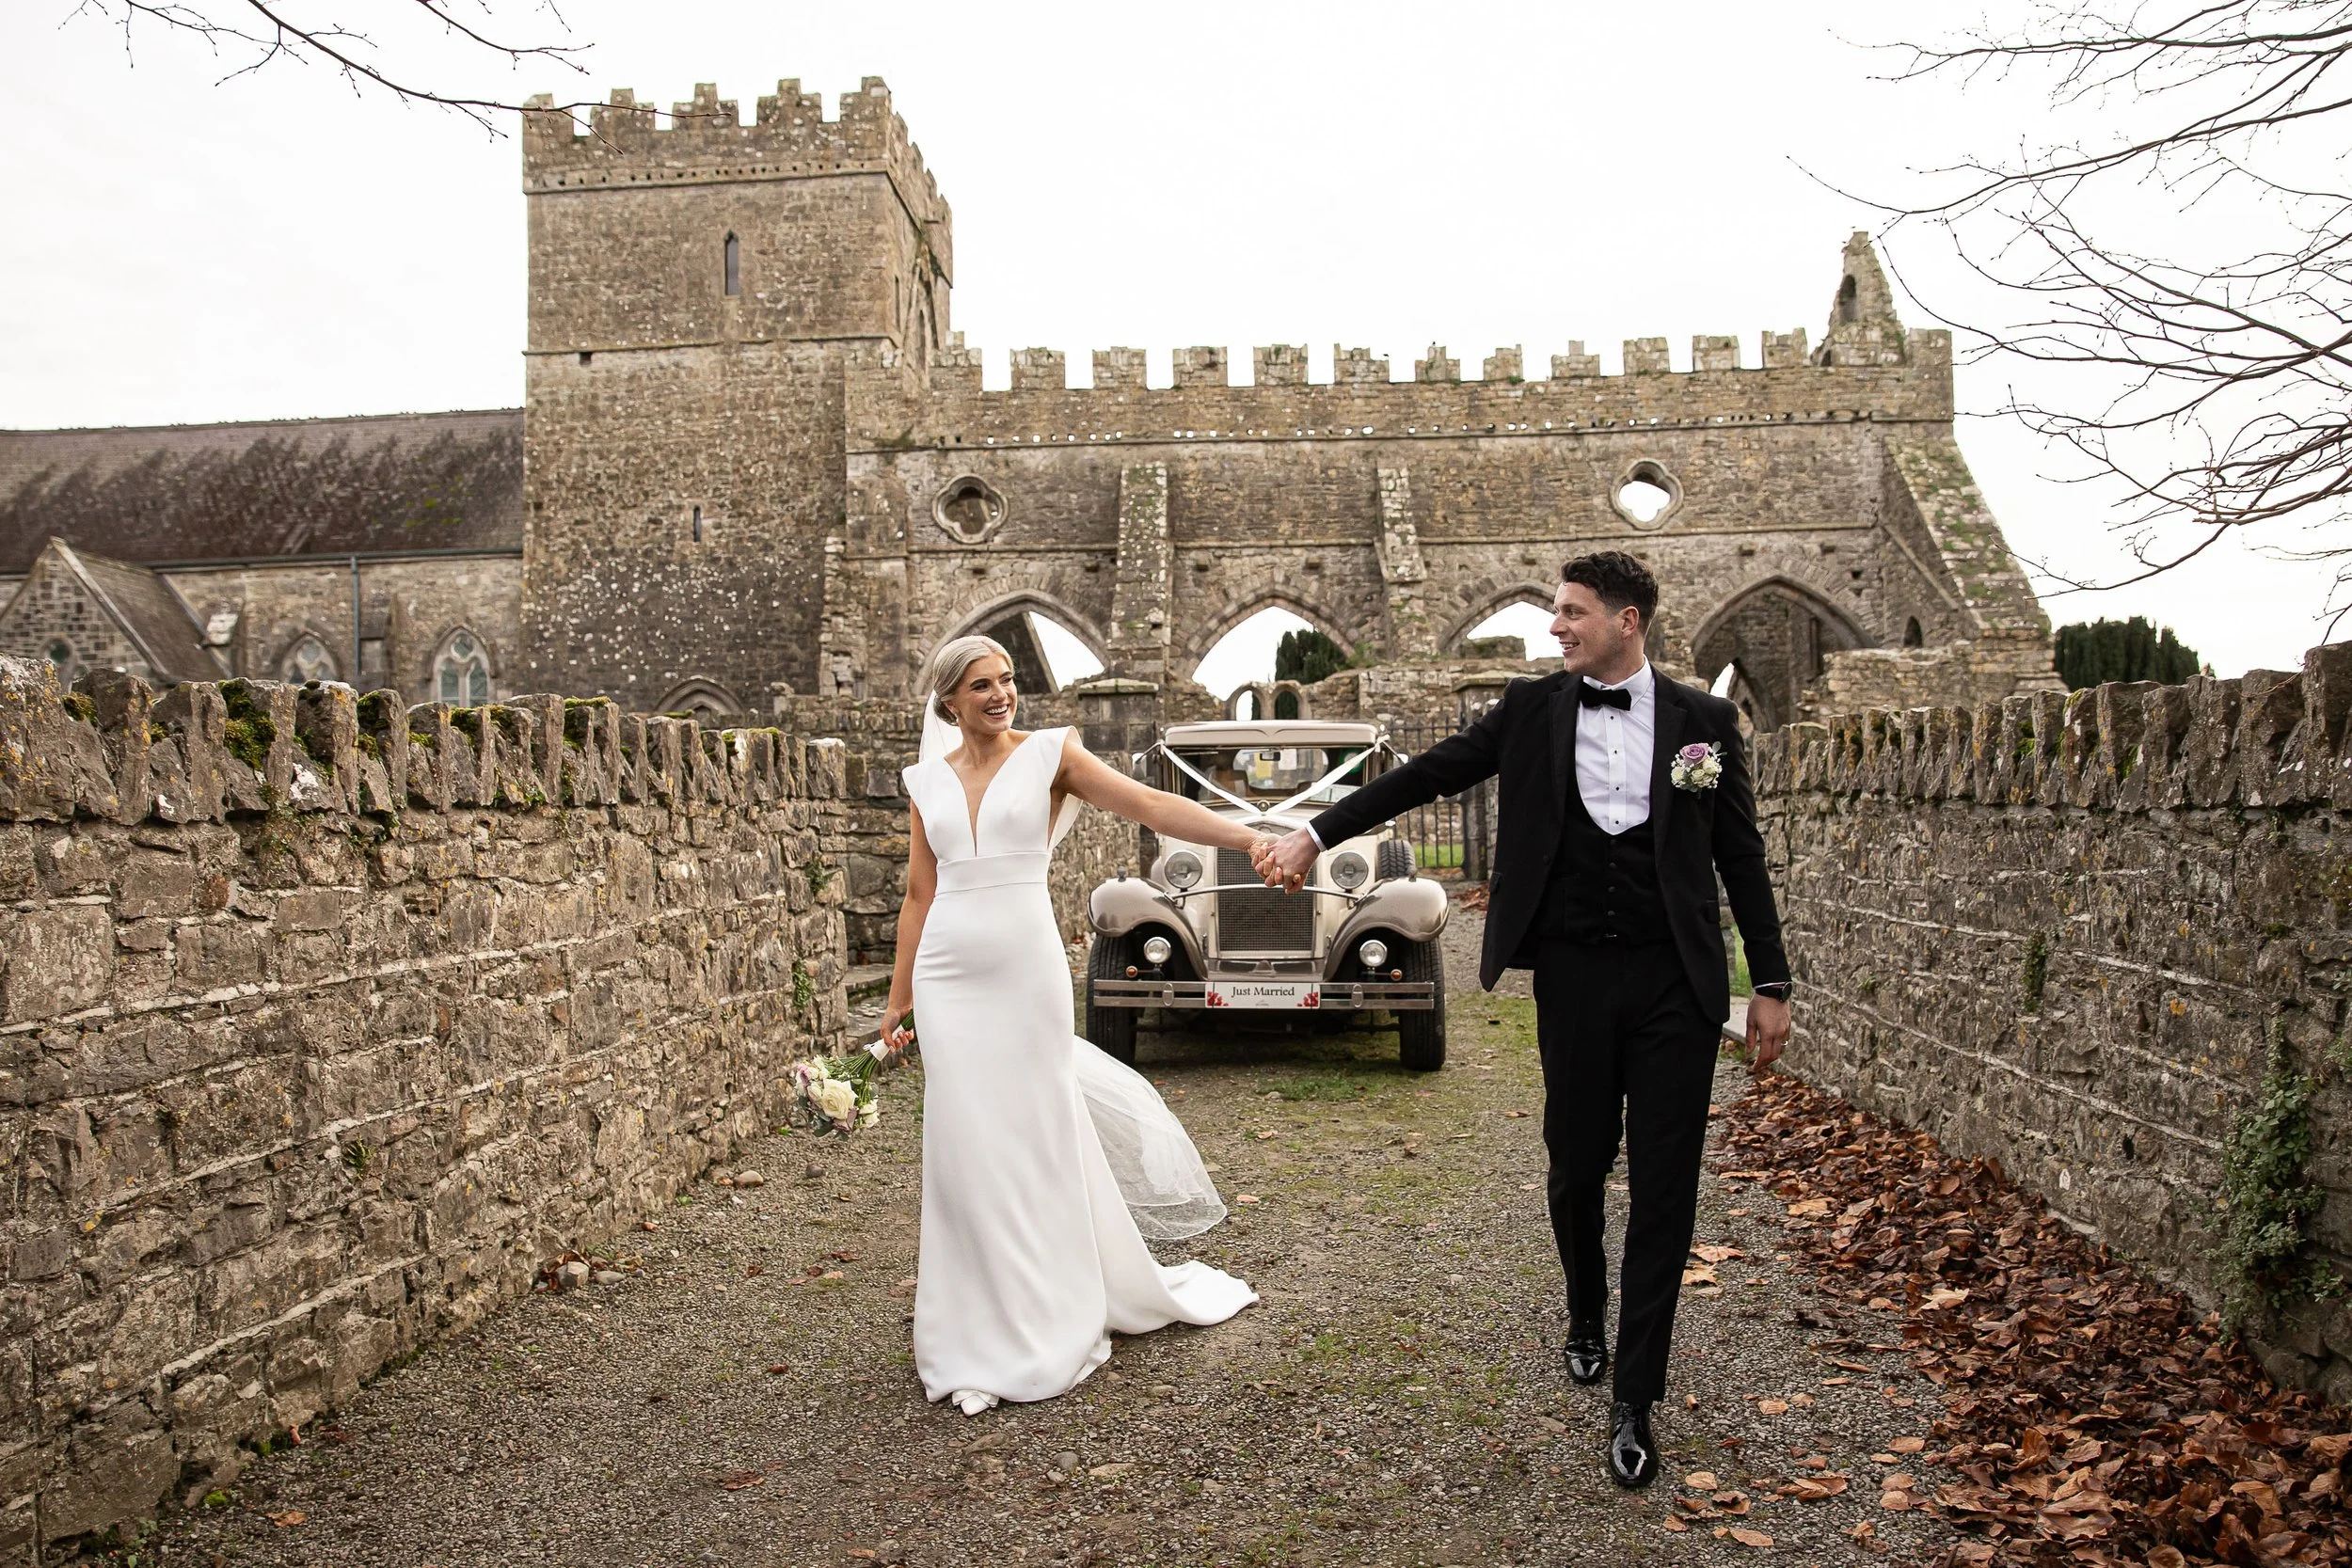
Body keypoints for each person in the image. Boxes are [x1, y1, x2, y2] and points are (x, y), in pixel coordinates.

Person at [1252, 551, 1792, 1488]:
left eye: (1572, 611)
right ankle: (1585, 1308)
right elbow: (1426, 774)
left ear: (1627, 620)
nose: (1555, 626)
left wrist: (1772, 981)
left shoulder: (1704, 725)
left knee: (1666, 1187)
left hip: (1677, 981)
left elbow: (1739, 855)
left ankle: (1636, 1397)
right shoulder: (1530, 709)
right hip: (1573, 972)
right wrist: (1316, 830)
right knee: (1576, 1165)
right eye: (1556, 610)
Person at [879, 635, 1267, 1415]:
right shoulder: (925, 780)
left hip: (1025, 973)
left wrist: (1248, 835)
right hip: (949, 978)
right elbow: (920, 895)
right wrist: (899, 997)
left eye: (1007, 679)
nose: (1001, 693)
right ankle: (971, 1325)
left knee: (1035, 1130)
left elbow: (1150, 804)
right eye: (982, 685)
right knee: (964, 1145)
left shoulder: (1051, 754)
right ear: (949, 700)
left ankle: (1046, 1309)